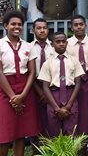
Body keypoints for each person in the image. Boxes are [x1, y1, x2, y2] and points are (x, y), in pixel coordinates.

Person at [0, 11, 41, 156]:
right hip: (5, 89)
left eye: (19, 24)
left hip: (25, 89)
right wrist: (13, 98)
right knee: (3, 135)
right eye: (13, 24)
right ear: (6, 26)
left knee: (21, 132)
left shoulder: (28, 46)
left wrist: (22, 95)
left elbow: (32, 72)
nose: (17, 27)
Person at [38, 31, 84, 137]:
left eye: (63, 41)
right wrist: (56, 108)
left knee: (71, 131)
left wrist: (68, 106)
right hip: (53, 97)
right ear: (52, 44)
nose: (61, 44)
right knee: (54, 132)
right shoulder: (47, 63)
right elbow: (45, 86)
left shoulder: (74, 61)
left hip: (70, 96)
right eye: (58, 42)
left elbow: (78, 83)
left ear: (67, 43)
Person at [66, 14, 88, 154]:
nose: (79, 27)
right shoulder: (66, 43)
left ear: (85, 25)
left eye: (81, 24)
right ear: (71, 27)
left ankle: (85, 145)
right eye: (76, 25)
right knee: (74, 112)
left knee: (87, 113)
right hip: (73, 81)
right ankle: (72, 143)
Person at [29, 18, 54, 150]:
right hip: (35, 85)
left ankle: (51, 147)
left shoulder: (54, 47)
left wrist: (47, 91)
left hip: (51, 85)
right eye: (38, 28)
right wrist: (40, 92)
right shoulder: (28, 47)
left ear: (48, 30)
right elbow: (29, 72)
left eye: (44, 27)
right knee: (35, 117)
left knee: (50, 118)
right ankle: (36, 148)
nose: (42, 30)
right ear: (33, 30)